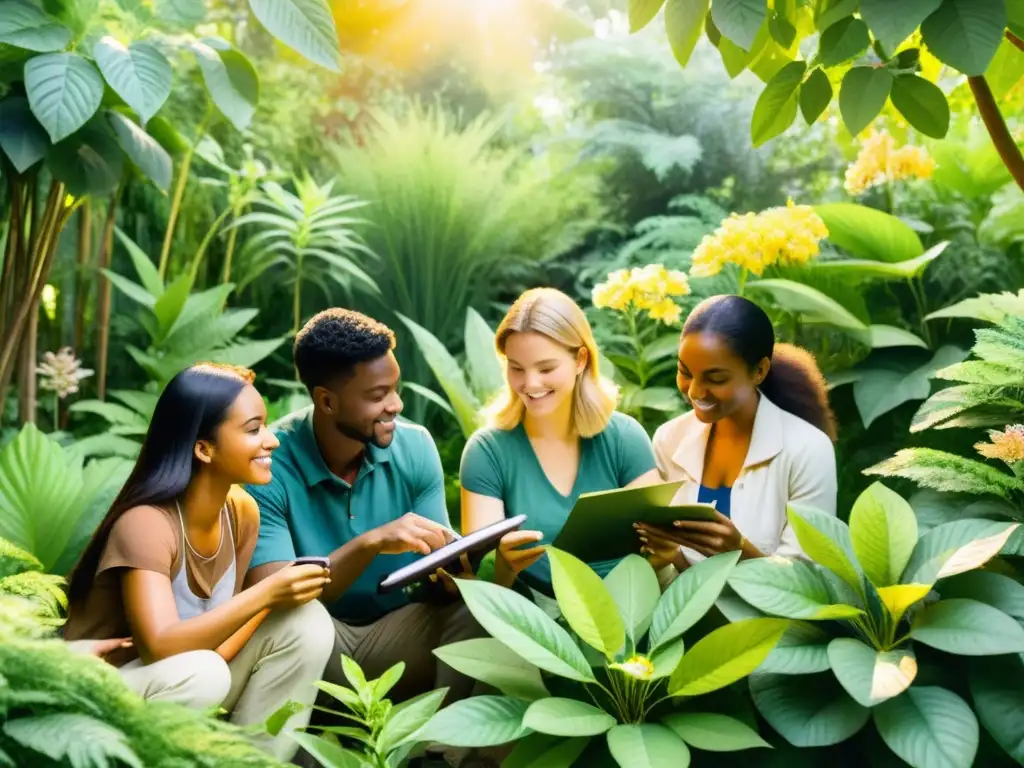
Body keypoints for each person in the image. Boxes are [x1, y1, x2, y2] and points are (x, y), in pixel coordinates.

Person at [63, 363, 335, 762]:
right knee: (202, 673)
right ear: (204, 448)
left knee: (306, 622)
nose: (271, 440)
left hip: (190, 676)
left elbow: (219, 646)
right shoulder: (145, 523)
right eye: (253, 429)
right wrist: (264, 594)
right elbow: (160, 648)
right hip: (103, 692)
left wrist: (272, 601)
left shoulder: (241, 512)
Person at [243, 309, 481, 705]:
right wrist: (371, 543)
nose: (396, 404)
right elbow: (276, 596)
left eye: (395, 388)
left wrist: (452, 577)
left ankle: (444, 755)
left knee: (479, 609)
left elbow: (436, 574)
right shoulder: (271, 463)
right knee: (299, 621)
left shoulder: (415, 446)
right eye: (378, 395)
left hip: (399, 635)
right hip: (313, 646)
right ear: (327, 401)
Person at [460, 287, 662, 594]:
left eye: (546, 368)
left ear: (580, 359)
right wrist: (503, 564)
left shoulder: (624, 438)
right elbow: (485, 587)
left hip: (628, 607)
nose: (530, 384)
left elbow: (658, 550)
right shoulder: (487, 452)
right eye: (516, 368)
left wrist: (664, 552)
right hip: (536, 621)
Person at [637, 294, 837, 572]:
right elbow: (678, 572)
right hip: (685, 613)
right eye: (685, 372)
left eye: (715, 378)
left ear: (759, 371)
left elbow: (809, 580)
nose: (695, 391)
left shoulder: (808, 449)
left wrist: (741, 551)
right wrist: (667, 555)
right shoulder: (669, 439)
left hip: (771, 616)